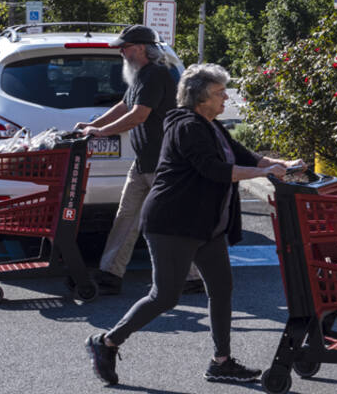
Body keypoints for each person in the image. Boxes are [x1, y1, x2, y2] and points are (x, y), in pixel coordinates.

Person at [85, 63, 297, 386]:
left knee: (222, 287)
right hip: (171, 223)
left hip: (204, 225)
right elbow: (216, 170)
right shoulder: (187, 126)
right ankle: (106, 343)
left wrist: (284, 165)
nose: (226, 97)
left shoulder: (211, 125)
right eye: (218, 92)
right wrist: (263, 174)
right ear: (199, 98)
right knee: (165, 296)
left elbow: (246, 156)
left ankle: (220, 361)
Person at [76, 25, 197, 295]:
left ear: (141, 48)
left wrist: (102, 132)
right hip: (143, 161)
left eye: (125, 47)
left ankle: (192, 276)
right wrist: (93, 124)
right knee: (126, 217)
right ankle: (110, 274)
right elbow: (124, 105)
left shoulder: (156, 74)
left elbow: (139, 115)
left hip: (165, 162)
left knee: (168, 222)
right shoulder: (141, 75)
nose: (121, 51)